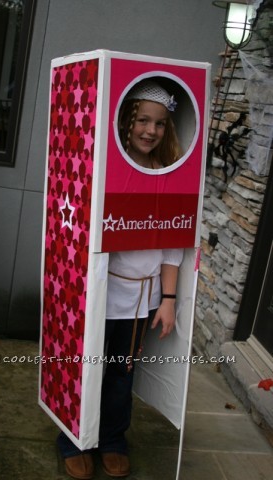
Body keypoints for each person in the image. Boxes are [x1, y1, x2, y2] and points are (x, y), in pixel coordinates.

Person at [57, 79, 184, 479]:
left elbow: (173, 241)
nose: (150, 130)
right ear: (127, 121)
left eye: (160, 124)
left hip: (140, 298)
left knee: (120, 373)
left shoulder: (169, 175)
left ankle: (112, 439)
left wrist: (168, 298)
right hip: (99, 292)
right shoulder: (105, 165)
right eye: (143, 120)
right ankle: (75, 439)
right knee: (86, 367)